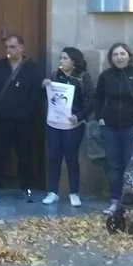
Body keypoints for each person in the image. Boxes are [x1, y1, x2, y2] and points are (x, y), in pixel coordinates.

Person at [0, 34, 43, 202]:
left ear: (22, 48)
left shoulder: (32, 69)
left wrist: (28, 111)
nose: (9, 50)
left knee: (25, 155)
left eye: (13, 47)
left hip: (24, 121)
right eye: (7, 47)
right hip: (1, 119)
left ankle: (26, 187)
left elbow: (36, 94)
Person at [96, 42, 133, 215]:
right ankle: (115, 201)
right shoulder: (106, 76)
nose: (119, 57)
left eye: (122, 54)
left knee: (131, 164)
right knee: (113, 165)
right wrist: (100, 117)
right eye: (115, 55)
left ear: (129, 56)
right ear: (111, 58)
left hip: (132, 126)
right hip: (110, 127)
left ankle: (130, 202)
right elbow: (98, 98)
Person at [42, 47, 94, 208]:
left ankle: (74, 192)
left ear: (74, 61)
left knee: (71, 158)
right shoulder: (55, 75)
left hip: (73, 124)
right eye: (61, 58)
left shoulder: (83, 77)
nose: (61, 61)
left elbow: (90, 101)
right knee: (53, 157)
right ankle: (52, 192)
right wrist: (45, 86)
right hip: (54, 124)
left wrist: (79, 116)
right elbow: (48, 98)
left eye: (65, 58)